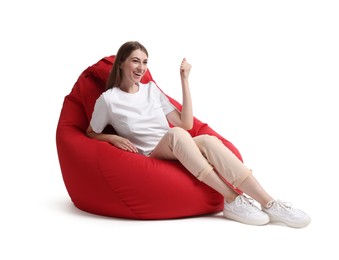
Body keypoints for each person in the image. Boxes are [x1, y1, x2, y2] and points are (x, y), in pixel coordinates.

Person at [86, 41, 311, 228]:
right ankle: (233, 199)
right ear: (121, 63)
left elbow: (185, 123)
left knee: (208, 140)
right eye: (135, 61)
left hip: (177, 143)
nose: (141, 67)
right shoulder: (109, 100)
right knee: (177, 135)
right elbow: (90, 133)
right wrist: (112, 138)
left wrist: (184, 80)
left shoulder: (151, 90)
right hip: (152, 154)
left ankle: (270, 203)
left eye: (145, 62)